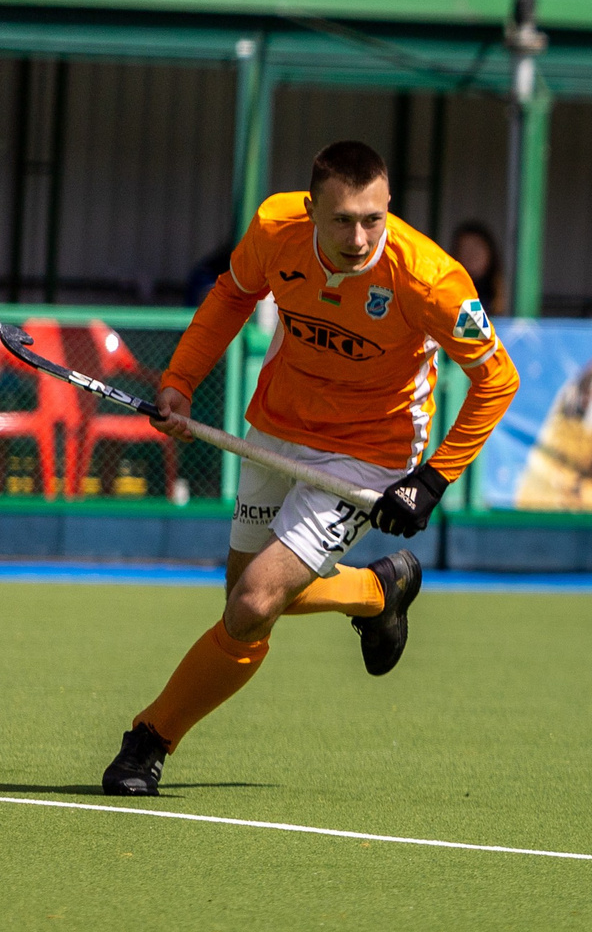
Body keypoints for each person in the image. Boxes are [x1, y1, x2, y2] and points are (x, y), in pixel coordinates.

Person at [100, 141, 520, 796]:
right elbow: (233, 294)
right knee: (244, 592)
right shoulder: (277, 229)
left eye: (373, 218)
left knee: (251, 604)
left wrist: (431, 479)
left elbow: (497, 380)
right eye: (343, 220)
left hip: (368, 451)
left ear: (388, 208)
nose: (359, 237)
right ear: (311, 209)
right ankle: (375, 592)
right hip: (276, 425)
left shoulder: (430, 280)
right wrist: (180, 378)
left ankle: (149, 739)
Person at [450, 220, 508, 317]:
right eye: (465, 249)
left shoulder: (502, 290)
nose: (471, 255)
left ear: (490, 252)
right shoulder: (448, 289)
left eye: (477, 248)